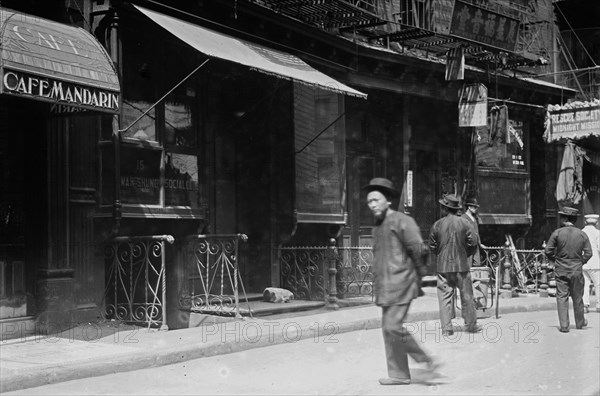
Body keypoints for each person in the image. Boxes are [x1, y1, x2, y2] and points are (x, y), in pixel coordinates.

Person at [363, 177, 441, 386]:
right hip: (386, 287)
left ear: (387, 200)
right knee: (388, 330)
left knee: (393, 327)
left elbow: (417, 248)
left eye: (376, 200)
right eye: (369, 201)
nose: (372, 205)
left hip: (403, 283)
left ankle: (425, 359)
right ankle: (398, 374)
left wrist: (420, 276)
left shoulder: (402, 220)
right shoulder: (377, 227)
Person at [429, 194, 481, 335]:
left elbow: (432, 246)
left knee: (444, 298)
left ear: (445, 209)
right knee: (467, 296)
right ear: (456, 208)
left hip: (443, 267)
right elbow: (473, 243)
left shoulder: (437, 224)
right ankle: (470, 326)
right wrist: (466, 254)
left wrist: (441, 256)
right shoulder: (465, 223)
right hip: (462, 266)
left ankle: (446, 329)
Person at [545, 207, 592, 333]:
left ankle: (564, 325)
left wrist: (556, 260)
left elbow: (548, 250)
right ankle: (580, 322)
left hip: (561, 269)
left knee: (561, 297)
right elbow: (588, 253)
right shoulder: (582, 234)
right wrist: (580, 261)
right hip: (576, 269)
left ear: (565, 218)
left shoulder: (557, 233)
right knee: (578, 297)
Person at [581, 214, 600, 313]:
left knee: (585, 284)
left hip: (583, 262)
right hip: (595, 262)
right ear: (596, 223)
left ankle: (585, 305)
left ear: (585, 222)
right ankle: (599, 305)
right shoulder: (598, 233)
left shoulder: (581, 232)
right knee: (598, 284)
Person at [463, 197, 484, 267]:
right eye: (474, 207)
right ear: (469, 207)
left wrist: (480, 244)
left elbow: (477, 232)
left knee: (477, 264)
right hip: (468, 245)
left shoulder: (474, 218)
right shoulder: (463, 218)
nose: (476, 209)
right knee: (468, 265)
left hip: (476, 245)